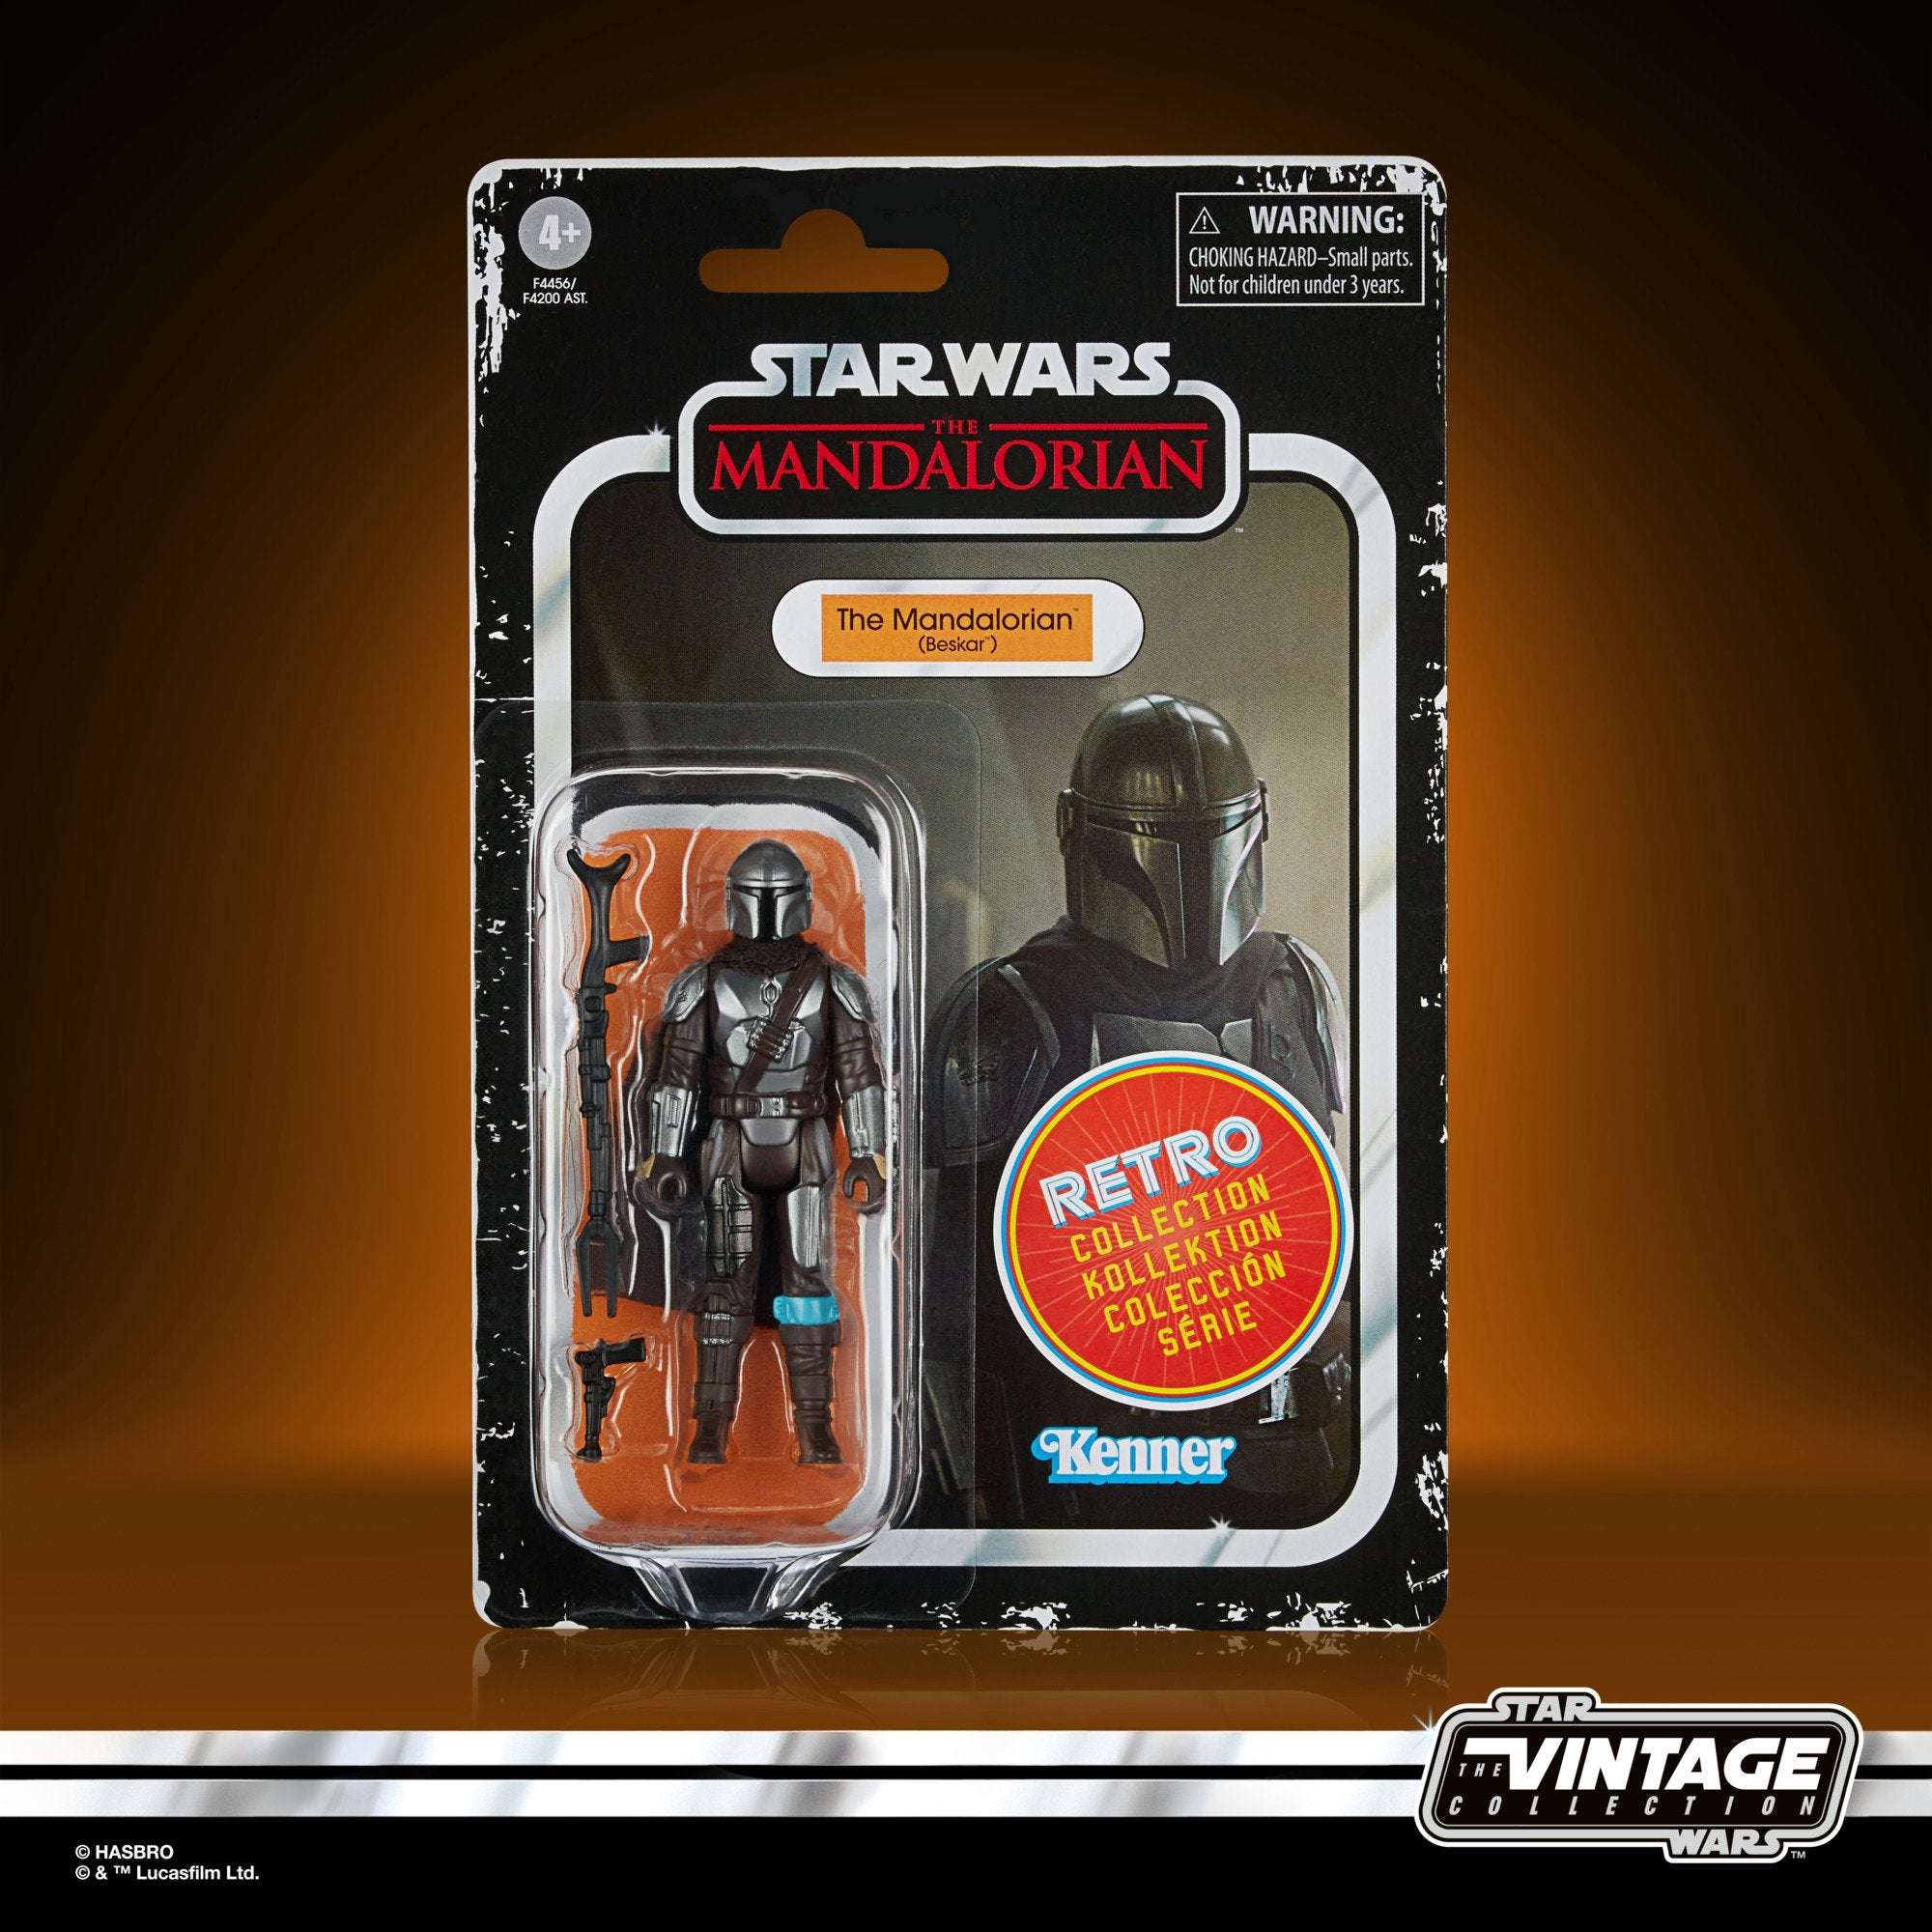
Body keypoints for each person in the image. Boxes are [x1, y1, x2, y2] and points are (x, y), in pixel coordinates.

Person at [931, 694, 1352, 1523]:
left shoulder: (1293, 985)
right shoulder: (1015, 1010)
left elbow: (1328, 1234)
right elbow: (957, 1311)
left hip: (1294, 1456)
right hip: (1090, 1469)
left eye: (1205, 833)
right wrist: (990, 1508)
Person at [637, 839, 887, 1464]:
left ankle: (816, 1428)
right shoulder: (704, 982)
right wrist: (664, 1154)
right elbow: (676, 1077)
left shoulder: (832, 983)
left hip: (805, 1143)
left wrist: (869, 1152)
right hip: (730, 1142)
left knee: (808, 1280)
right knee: (725, 1283)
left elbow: (860, 1075)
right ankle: (710, 1428)